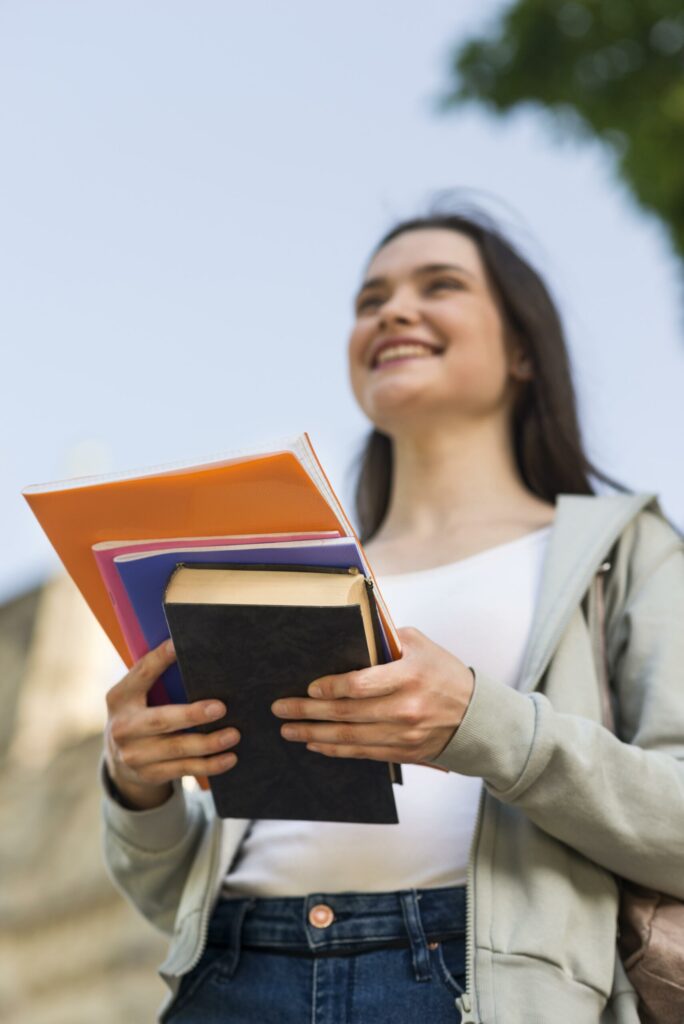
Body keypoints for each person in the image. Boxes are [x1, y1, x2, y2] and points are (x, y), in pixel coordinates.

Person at [101, 204, 684, 1024]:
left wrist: (482, 722)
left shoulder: (625, 551)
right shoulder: (282, 572)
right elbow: (173, 899)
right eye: (370, 299)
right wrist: (138, 788)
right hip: (235, 972)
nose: (393, 310)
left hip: (475, 985)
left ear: (522, 349)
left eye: (438, 285)